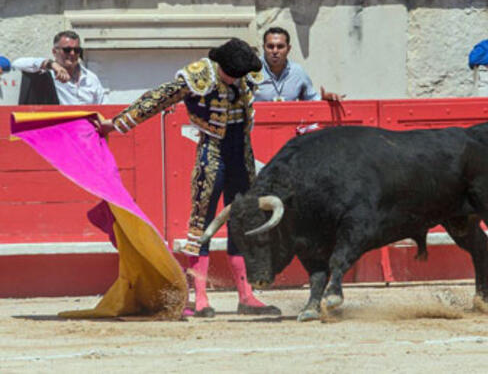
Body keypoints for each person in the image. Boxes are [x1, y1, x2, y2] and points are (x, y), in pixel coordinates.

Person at [97, 38, 281, 318]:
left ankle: (246, 295)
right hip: (213, 154)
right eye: (231, 74)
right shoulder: (198, 75)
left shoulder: (245, 73)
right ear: (220, 66)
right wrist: (117, 123)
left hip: (241, 153)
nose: (235, 80)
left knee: (242, 220)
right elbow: (157, 98)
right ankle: (200, 297)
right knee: (201, 223)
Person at [12, 30, 106, 104]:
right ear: (54, 51)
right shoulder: (48, 75)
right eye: (67, 50)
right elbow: (17, 64)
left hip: (86, 126)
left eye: (77, 50)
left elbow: (104, 104)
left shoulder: (90, 78)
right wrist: (51, 64)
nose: (72, 53)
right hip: (60, 125)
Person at [254, 27, 344, 102]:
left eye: (280, 47)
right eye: (270, 46)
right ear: (264, 48)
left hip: (290, 122)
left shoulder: (297, 72)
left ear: (288, 49)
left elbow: (311, 99)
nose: (275, 51)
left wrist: (325, 99)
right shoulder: (252, 71)